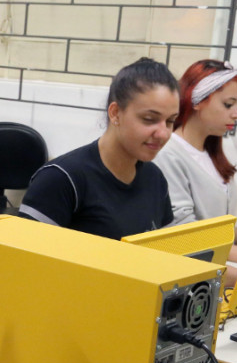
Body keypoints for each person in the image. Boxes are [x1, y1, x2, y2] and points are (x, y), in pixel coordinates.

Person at [19, 57, 177, 240]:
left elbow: (164, 252)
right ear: (115, 113)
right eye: (149, 119)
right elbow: (24, 261)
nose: (163, 133)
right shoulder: (61, 179)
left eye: (171, 121)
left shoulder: (154, 178)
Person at [153, 59, 237, 285]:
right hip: (192, 277)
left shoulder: (211, 154)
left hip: (215, 271)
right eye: (229, 104)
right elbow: (188, 236)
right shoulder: (168, 155)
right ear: (197, 101)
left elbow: (218, 228)